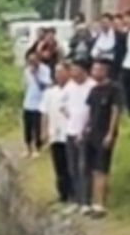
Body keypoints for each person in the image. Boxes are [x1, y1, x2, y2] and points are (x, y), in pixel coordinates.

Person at [85, 59, 121, 219]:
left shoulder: (114, 89)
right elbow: (89, 112)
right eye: (93, 69)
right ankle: (94, 202)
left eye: (97, 69)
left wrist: (110, 133)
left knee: (101, 169)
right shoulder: (93, 90)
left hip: (104, 133)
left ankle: (100, 205)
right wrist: (86, 128)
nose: (94, 72)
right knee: (93, 169)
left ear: (105, 71)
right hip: (92, 134)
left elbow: (115, 111)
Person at [62, 62, 95, 214]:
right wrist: (70, 117)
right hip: (70, 131)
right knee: (72, 167)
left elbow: (94, 112)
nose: (74, 74)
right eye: (72, 71)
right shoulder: (69, 86)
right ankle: (76, 199)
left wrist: (85, 128)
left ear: (84, 71)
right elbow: (62, 105)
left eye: (77, 71)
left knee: (85, 167)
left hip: (87, 132)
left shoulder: (92, 86)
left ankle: (86, 201)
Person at [42, 63, 72, 204]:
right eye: (56, 72)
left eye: (61, 72)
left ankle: (73, 194)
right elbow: (45, 113)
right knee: (59, 165)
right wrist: (44, 132)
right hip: (55, 134)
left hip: (69, 133)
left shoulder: (72, 90)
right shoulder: (50, 93)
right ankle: (63, 194)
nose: (58, 75)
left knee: (70, 164)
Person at [22, 53, 51, 156]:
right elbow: (26, 86)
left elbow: (44, 87)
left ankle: (37, 148)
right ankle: (27, 147)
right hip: (28, 102)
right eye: (30, 61)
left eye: (34, 61)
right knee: (27, 126)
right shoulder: (26, 71)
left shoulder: (45, 70)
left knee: (37, 126)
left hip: (39, 103)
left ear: (38, 60)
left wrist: (35, 75)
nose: (32, 64)